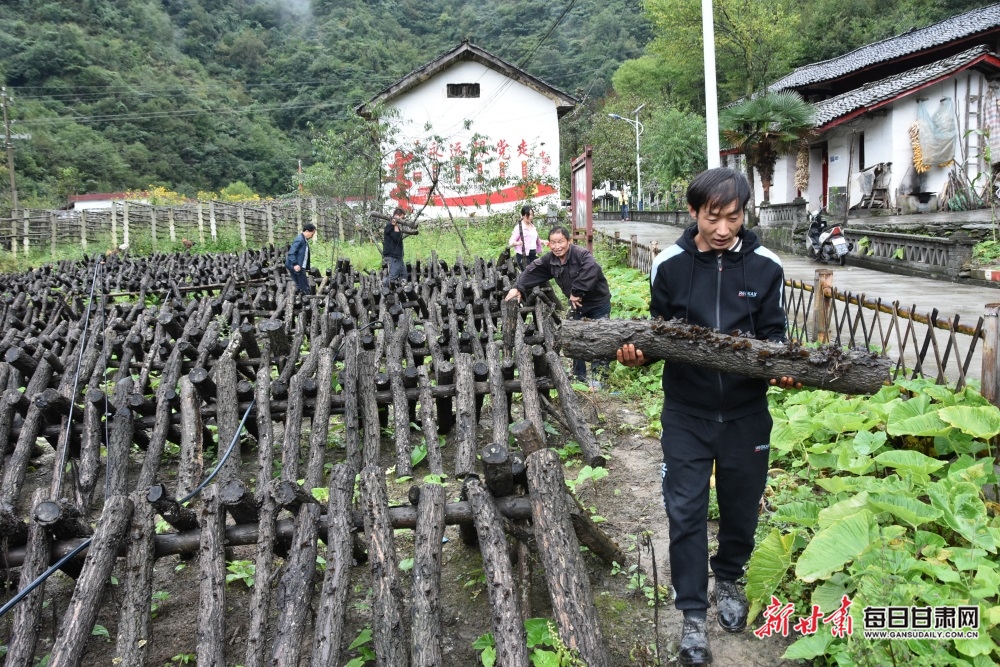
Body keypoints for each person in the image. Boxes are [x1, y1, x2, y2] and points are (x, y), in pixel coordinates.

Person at [616, 168, 799, 666]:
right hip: (687, 413)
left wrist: (783, 365)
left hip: (746, 413)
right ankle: (693, 614)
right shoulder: (670, 264)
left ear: (744, 215)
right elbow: (660, 333)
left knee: (741, 504)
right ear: (694, 212)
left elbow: (774, 333)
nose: (723, 229)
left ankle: (732, 579)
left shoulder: (765, 266)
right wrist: (640, 353)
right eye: (713, 218)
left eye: (733, 218)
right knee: (685, 511)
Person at [504, 225, 611, 389]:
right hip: (578, 307)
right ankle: (578, 378)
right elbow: (534, 270)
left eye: (561, 242)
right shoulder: (550, 260)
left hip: (597, 304)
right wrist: (518, 286)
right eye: (553, 242)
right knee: (575, 339)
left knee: (601, 339)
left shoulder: (581, 254)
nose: (557, 246)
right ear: (549, 244)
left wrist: (578, 291)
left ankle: (600, 381)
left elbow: (592, 270)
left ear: (569, 241)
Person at [508, 204, 548, 269]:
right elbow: (511, 241)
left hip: (533, 254)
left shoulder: (533, 227)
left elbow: (534, 240)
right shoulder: (519, 227)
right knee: (528, 274)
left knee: (537, 270)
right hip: (523, 256)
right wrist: (518, 243)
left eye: (532, 215)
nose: (530, 217)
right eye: (528, 215)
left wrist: (543, 241)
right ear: (523, 215)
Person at [286, 223, 316, 295]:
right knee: (304, 286)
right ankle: (307, 301)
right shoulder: (300, 239)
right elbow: (291, 253)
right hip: (297, 266)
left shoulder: (303, 240)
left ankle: (299, 300)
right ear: (307, 231)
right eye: (312, 234)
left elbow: (303, 255)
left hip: (299, 266)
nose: (312, 236)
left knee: (298, 285)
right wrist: (295, 264)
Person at [384, 206, 408, 285]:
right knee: (392, 277)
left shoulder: (395, 226)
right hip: (393, 257)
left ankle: (402, 293)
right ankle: (383, 288)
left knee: (404, 276)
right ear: (397, 216)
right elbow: (396, 237)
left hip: (398, 257)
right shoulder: (390, 226)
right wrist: (395, 225)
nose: (403, 220)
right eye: (402, 218)